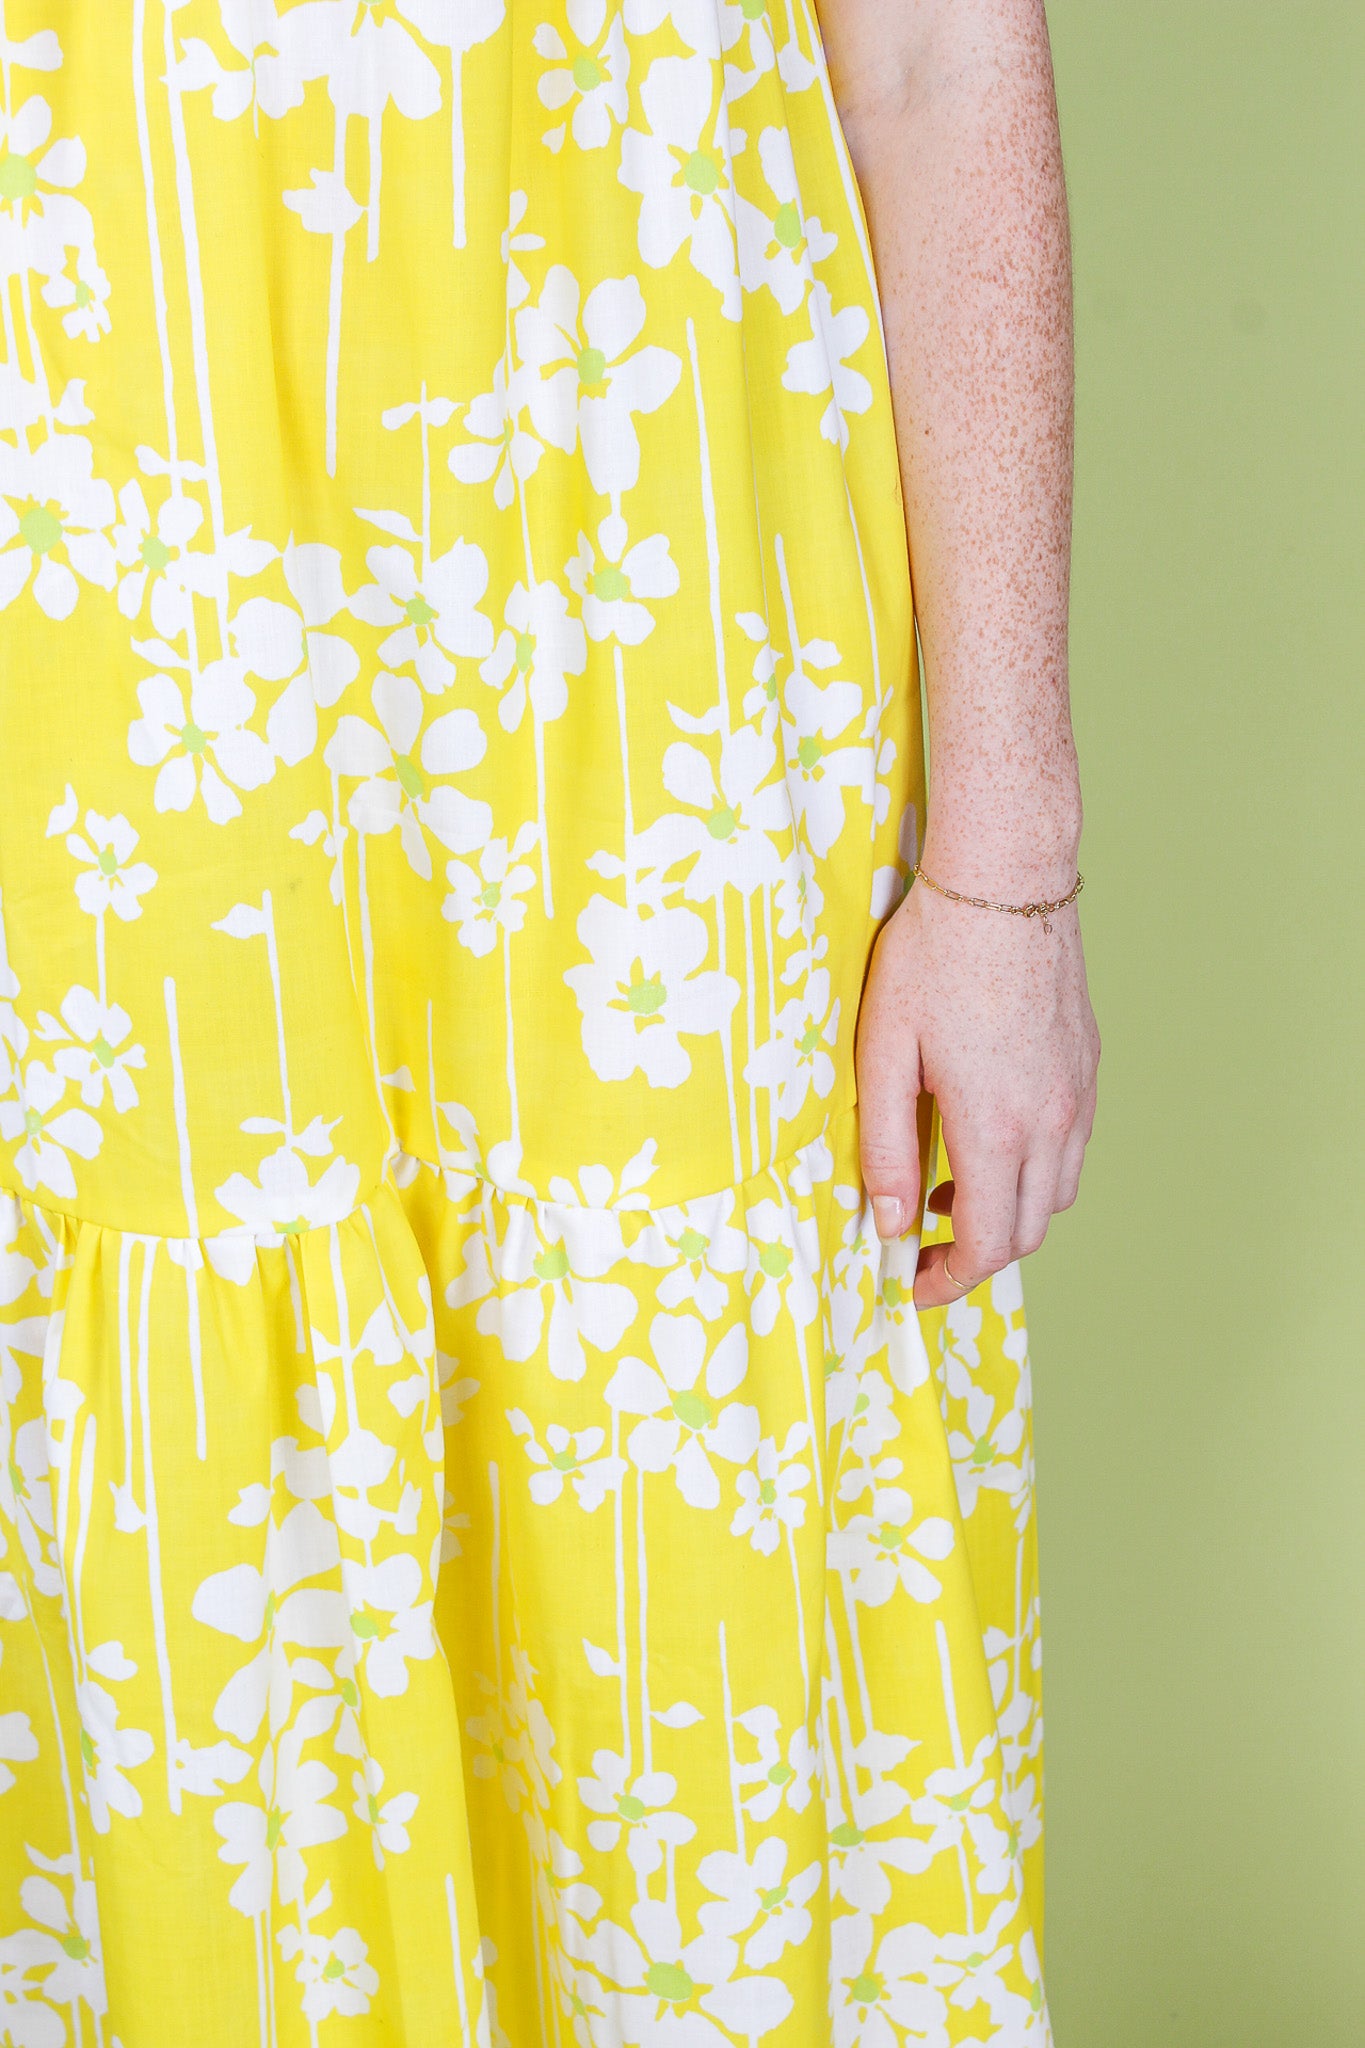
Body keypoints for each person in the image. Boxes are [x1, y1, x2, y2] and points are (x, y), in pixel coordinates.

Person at [0, 0, 1097, 2038]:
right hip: (101, 652)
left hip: (660, 626)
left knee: (672, 1546)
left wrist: (1003, 866)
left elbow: (935, 53)